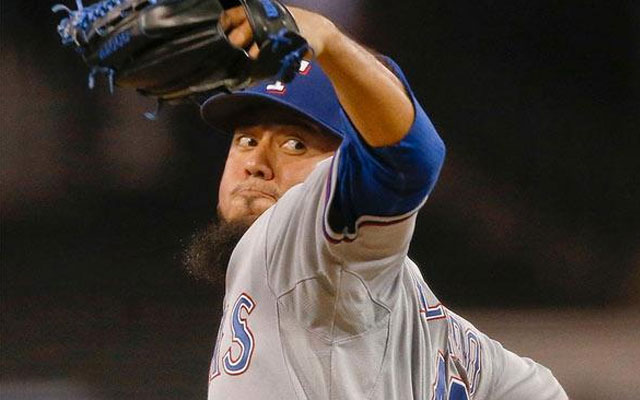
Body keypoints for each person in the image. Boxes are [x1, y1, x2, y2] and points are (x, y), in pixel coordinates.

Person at [183, 5, 568, 400]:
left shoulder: (301, 233)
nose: (255, 164)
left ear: (347, 163)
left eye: (295, 144)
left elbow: (407, 159)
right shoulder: (430, 328)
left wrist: (330, 42)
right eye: (246, 140)